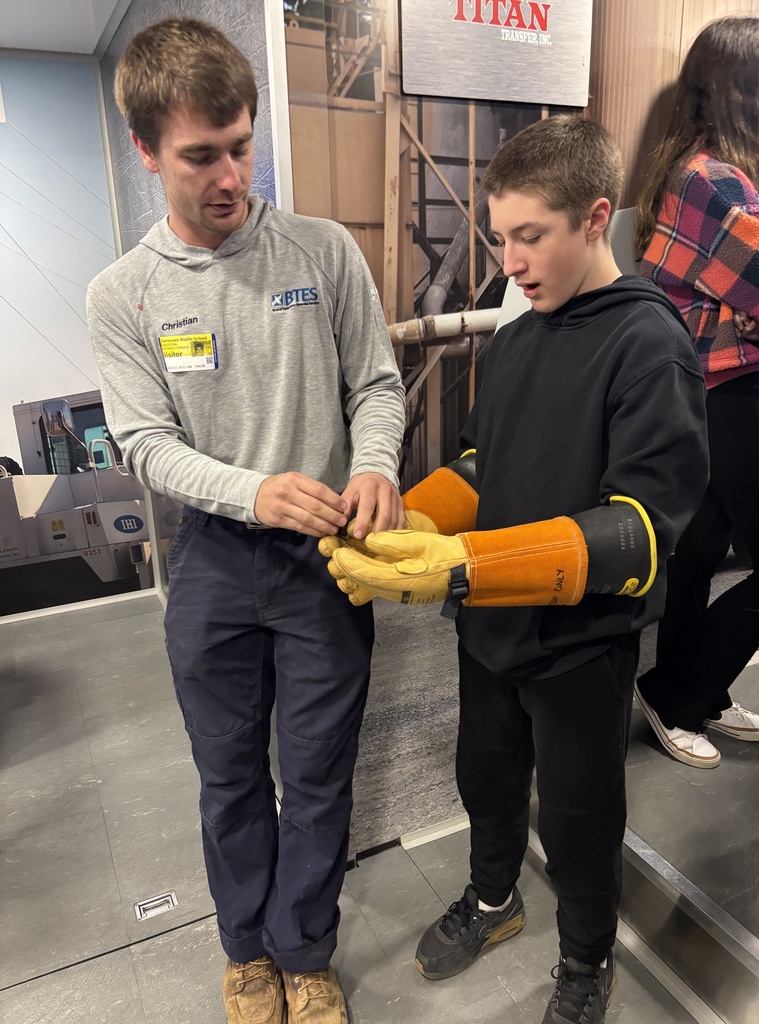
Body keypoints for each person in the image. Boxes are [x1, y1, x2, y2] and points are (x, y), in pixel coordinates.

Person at [322, 115, 709, 1024]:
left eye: (530, 236)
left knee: (578, 821)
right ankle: (494, 901)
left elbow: (640, 534)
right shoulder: (524, 331)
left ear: (595, 218)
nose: (511, 261)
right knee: (486, 779)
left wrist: (458, 565)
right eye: (501, 238)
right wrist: (416, 516)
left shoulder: (650, 347)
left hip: (580, 644)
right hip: (490, 626)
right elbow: (482, 463)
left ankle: (586, 960)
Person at [86, 18, 405, 1024]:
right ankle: (245, 950)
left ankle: (305, 951)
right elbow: (145, 442)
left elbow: (378, 385)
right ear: (146, 150)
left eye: (241, 145)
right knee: (229, 780)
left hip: (324, 565)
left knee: (318, 776)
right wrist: (253, 490)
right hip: (215, 564)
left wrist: (374, 463)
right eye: (199, 156)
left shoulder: (322, 252)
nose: (229, 175)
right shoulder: (123, 297)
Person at [633, 15, 759, 769]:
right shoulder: (710, 179)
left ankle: (696, 692)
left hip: (720, 389)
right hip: (726, 389)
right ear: (733, 83)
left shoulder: (719, 174)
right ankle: (681, 687)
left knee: (699, 550)